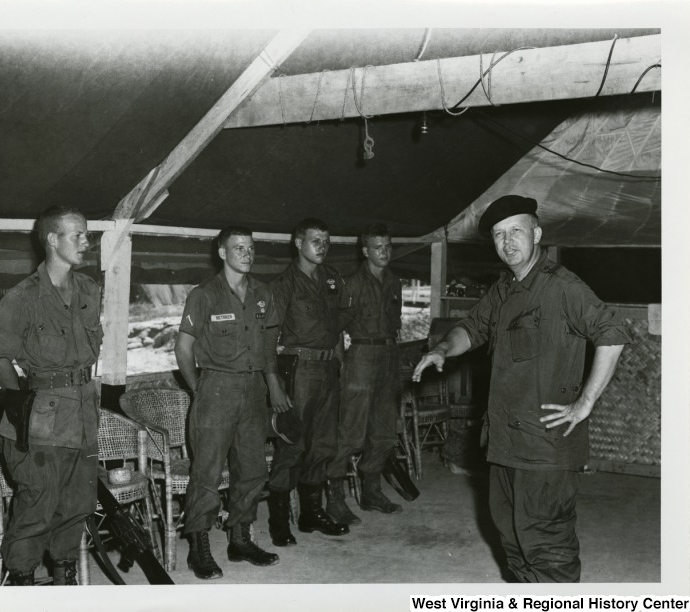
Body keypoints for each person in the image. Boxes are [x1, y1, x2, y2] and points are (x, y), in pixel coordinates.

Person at [412, 195, 631, 583]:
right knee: (511, 540)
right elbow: (473, 327)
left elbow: (612, 333)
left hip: (545, 447)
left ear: (537, 234)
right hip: (504, 443)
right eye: (499, 234)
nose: (507, 241)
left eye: (516, 231)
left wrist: (585, 403)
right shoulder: (504, 288)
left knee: (546, 547)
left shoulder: (561, 286)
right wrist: (443, 348)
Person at [0, 206, 102, 585]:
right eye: (77, 235)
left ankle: (64, 576)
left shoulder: (89, 290)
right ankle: (21, 581)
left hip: (83, 412)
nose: (86, 242)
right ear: (53, 239)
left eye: (86, 234)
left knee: (78, 504)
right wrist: (20, 403)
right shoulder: (22, 297)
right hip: (41, 419)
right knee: (37, 505)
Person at [174, 226, 280, 580]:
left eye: (250, 248)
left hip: (253, 391)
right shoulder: (204, 295)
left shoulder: (263, 293)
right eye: (239, 248)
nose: (247, 254)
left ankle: (240, 539)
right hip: (215, 388)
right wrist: (197, 388)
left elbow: (267, 347)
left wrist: (271, 385)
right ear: (222, 252)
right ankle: (199, 547)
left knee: (251, 469)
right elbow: (184, 348)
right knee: (206, 472)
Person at [265, 218, 350, 547]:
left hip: (328, 371)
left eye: (327, 241)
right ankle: (278, 520)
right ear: (298, 243)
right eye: (316, 241)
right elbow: (267, 339)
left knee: (324, 444)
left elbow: (340, 322)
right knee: (293, 444)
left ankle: (311, 513)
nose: (323, 247)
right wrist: (274, 384)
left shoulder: (332, 279)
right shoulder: (283, 284)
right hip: (298, 371)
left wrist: (337, 359)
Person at [326, 223, 404, 525]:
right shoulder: (352, 284)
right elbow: (335, 328)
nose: (384, 252)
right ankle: (335, 499)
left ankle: (371, 492)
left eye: (388, 246)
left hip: (388, 357)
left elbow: (394, 325)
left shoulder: (394, 282)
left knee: (384, 431)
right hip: (360, 356)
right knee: (350, 432)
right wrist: (343, 362)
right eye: (377, 247)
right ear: (365, 251)